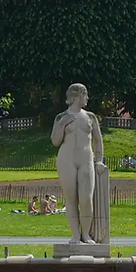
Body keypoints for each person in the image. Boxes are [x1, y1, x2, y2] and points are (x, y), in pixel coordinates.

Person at [50, 83, 109, 245]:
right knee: (71, 199)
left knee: (86, 199)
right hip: (66, 159)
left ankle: (86, 235)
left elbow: (98, 141)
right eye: (85, 95)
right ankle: (75, 235)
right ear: (76, 96)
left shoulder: (90, 117)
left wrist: (99, 161)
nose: (87, 98)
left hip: (86, 159)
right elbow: (55, 142)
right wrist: (62, 125)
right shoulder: (61, 117)